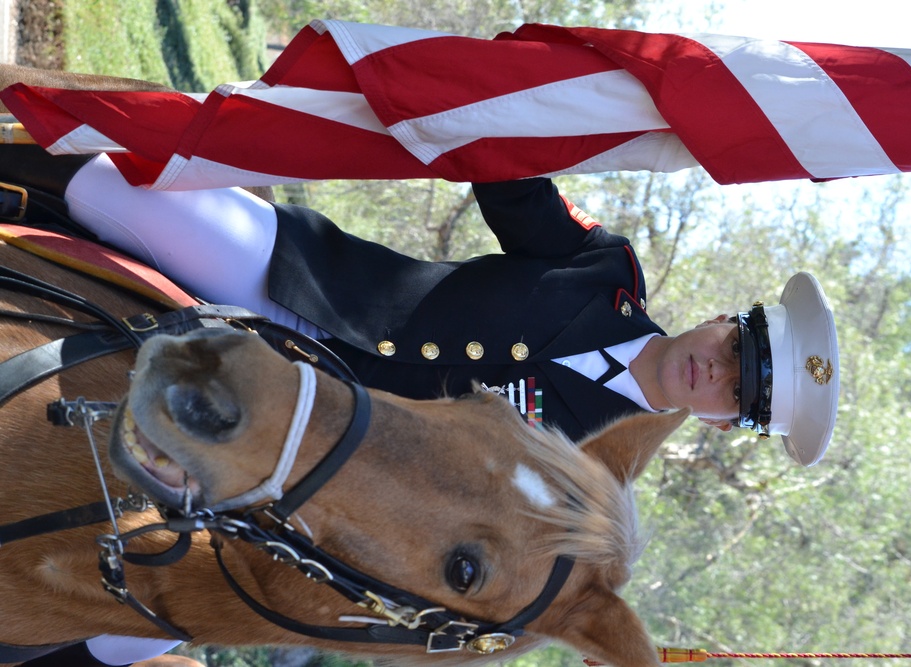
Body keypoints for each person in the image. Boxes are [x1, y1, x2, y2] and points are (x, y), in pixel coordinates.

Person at [2, 146, 838, 666]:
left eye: (738, 390)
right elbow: (507, 175)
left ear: (729, 422)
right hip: (308, 294)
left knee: (125, 629)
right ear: (724, 320)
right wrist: (510, 102)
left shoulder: (579, 493)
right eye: (737, 349)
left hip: (299, 471)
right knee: (125, 189)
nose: (716, 371)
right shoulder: (602, 271)